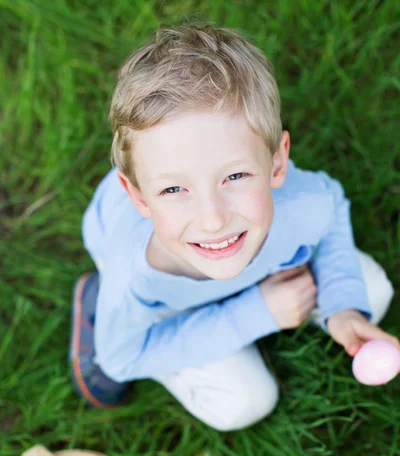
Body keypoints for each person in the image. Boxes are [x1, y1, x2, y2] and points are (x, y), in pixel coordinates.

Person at [69, 20, 398, 431]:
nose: (213, 219)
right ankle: (92, 299)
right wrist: (259, 312)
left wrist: (343, 305)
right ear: (138, 197)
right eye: (173, 189)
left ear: (277, 162)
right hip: (168, 302)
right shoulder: (136, 279)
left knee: (374, 293)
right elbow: (122, 359)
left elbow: (331, 206)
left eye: (236, 177)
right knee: (245, 403)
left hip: (249, 258)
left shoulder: (301, 205)